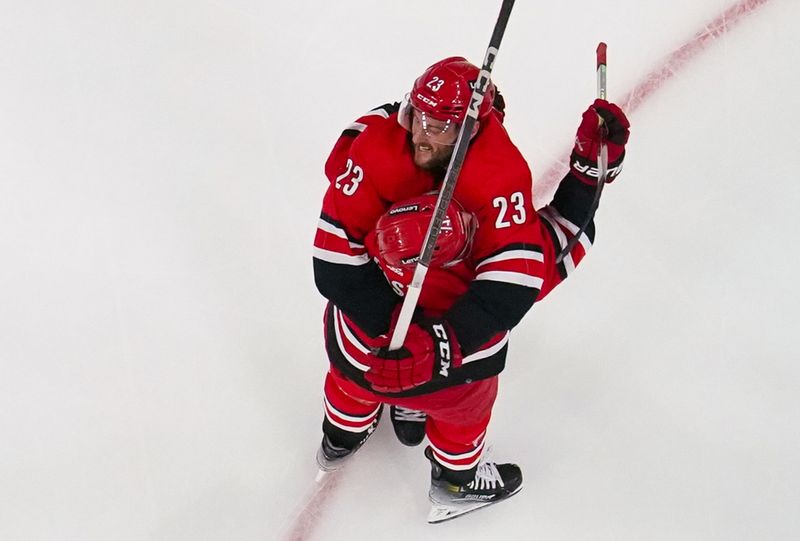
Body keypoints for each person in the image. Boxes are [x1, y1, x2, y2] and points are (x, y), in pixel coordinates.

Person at [311, 56, 630, 523]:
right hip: (448, 376)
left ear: (468, 130)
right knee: (463, 420)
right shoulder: (498, 198)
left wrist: (386, 341)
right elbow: (551, 252)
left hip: (359, 350)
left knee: (348, 384)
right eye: (418, 116)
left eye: (439, 126)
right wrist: (589, 170)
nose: (421, 134)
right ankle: (455, 485)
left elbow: (334, 255)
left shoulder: (380, 146)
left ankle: (339, 437)